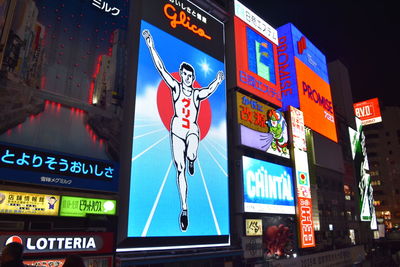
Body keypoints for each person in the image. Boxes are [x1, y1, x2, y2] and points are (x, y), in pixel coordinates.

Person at [142, 29, 224, 232]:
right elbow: (161, 69)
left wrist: (218, 80)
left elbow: (209, 90)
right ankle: (185, 209)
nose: (186, 77)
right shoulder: (176, 88)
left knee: (192, 152)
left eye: (189, 75)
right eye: (184, 74)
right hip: (177, 128)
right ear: (181, 75)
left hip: (192, 129)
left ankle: (192, 159)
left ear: (193, 77)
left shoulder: (196, 93)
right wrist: (151, 46)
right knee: (179, 169)